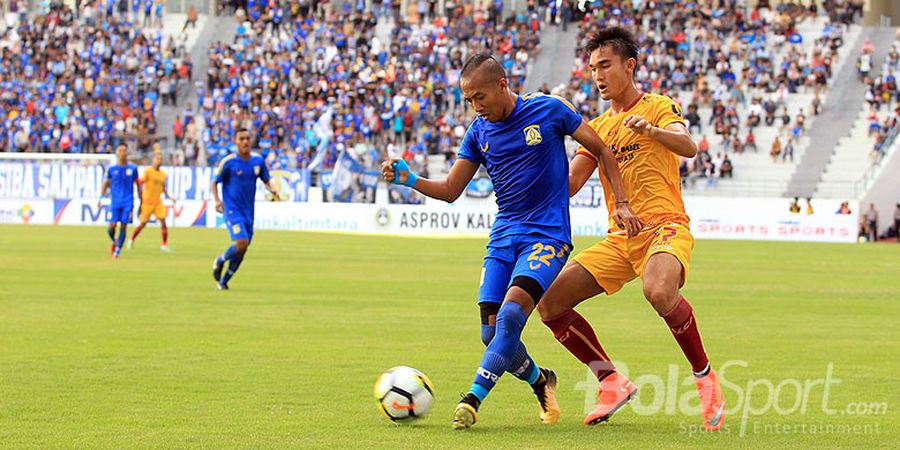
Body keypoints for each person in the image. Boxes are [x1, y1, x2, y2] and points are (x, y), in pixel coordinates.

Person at [381, 54, 639, 430]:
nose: (475, 106)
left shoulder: (549, 110)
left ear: (502, 85)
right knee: (491, 334)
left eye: (479, 97)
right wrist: (410, 180)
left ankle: (472, 398)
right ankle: (541, 380)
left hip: (547, 236)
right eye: (468, 100)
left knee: (512, 316)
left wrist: (623, 204)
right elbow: (452, 189)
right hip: (503, 238)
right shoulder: (478, 132)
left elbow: (601, 149)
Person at [535, 27, 726, 431]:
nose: (598, 75)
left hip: (664, 227)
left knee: (658, 290)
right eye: (592, 69)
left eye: (605, 65)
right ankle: (610, 381)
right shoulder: (598, 127)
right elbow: (569, 185)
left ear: (629, 65)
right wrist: (536, 156)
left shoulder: (657, 106)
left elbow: (688, 146)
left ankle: (704, 377)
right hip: (621, 239)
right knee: (548, 303)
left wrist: (652, 132)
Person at [211, 128, 280, 290]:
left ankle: (223, 282)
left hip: (249, 212)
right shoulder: (228, 162)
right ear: (235, 141)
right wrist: (217, 201)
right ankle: (220, 260)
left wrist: (273, 189)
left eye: (247, 138)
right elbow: (215, 181)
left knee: (242, 250)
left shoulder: (258, 161)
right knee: (241, 242)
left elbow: (266, 179)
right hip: (232, 209)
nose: (245, 142)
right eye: (241, 138)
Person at [98, 144, 142, 259]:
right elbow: (105, 183)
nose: (122, 152)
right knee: (111, 226)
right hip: (115, 202)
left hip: (128, 202)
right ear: (117, 153)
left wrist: (141, 201)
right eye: (120, 150)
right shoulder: (112, 170)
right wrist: (100, 198)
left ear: (127, 153)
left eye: (124, 150)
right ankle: (115, 240)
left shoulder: (133, 169)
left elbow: (138, 186)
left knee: (123, 226)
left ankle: (117, 251)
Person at [128, 151, 175, 252]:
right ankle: (131, 239)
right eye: (157, 158)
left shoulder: (163, 174)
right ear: (153, 160)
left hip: (158, 202)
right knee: (143, 224)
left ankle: (164, 245)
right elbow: (140, 181)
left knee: (163, 222)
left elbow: (163, 188)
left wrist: (170, 197)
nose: (159, 161)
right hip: (147, 202)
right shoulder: (148, 171)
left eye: (161, 159)